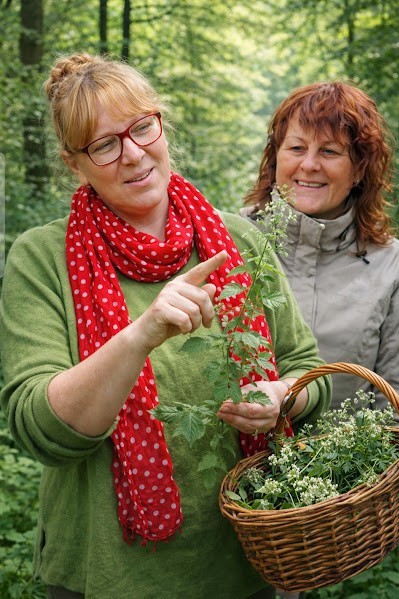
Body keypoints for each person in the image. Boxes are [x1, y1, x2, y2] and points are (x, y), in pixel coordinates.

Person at [0, 54, 331, 599]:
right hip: (105, 574)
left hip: (243, 564)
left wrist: (282, 396)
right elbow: (43, 431)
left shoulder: (237, 240)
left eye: (141, 128)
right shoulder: (43, 258)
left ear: (161, 125)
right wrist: (140, 335)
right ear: (74, 164)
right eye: (104, 145)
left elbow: (306, 369)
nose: (133, 153)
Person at [243, 81, 399, 415]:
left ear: (359, 168)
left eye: (329, 151)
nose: (309, 164)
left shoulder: (394, 267)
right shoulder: (232, 240)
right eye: (296, 148)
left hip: (350, 451)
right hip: (232, 448)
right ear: (275, 158)